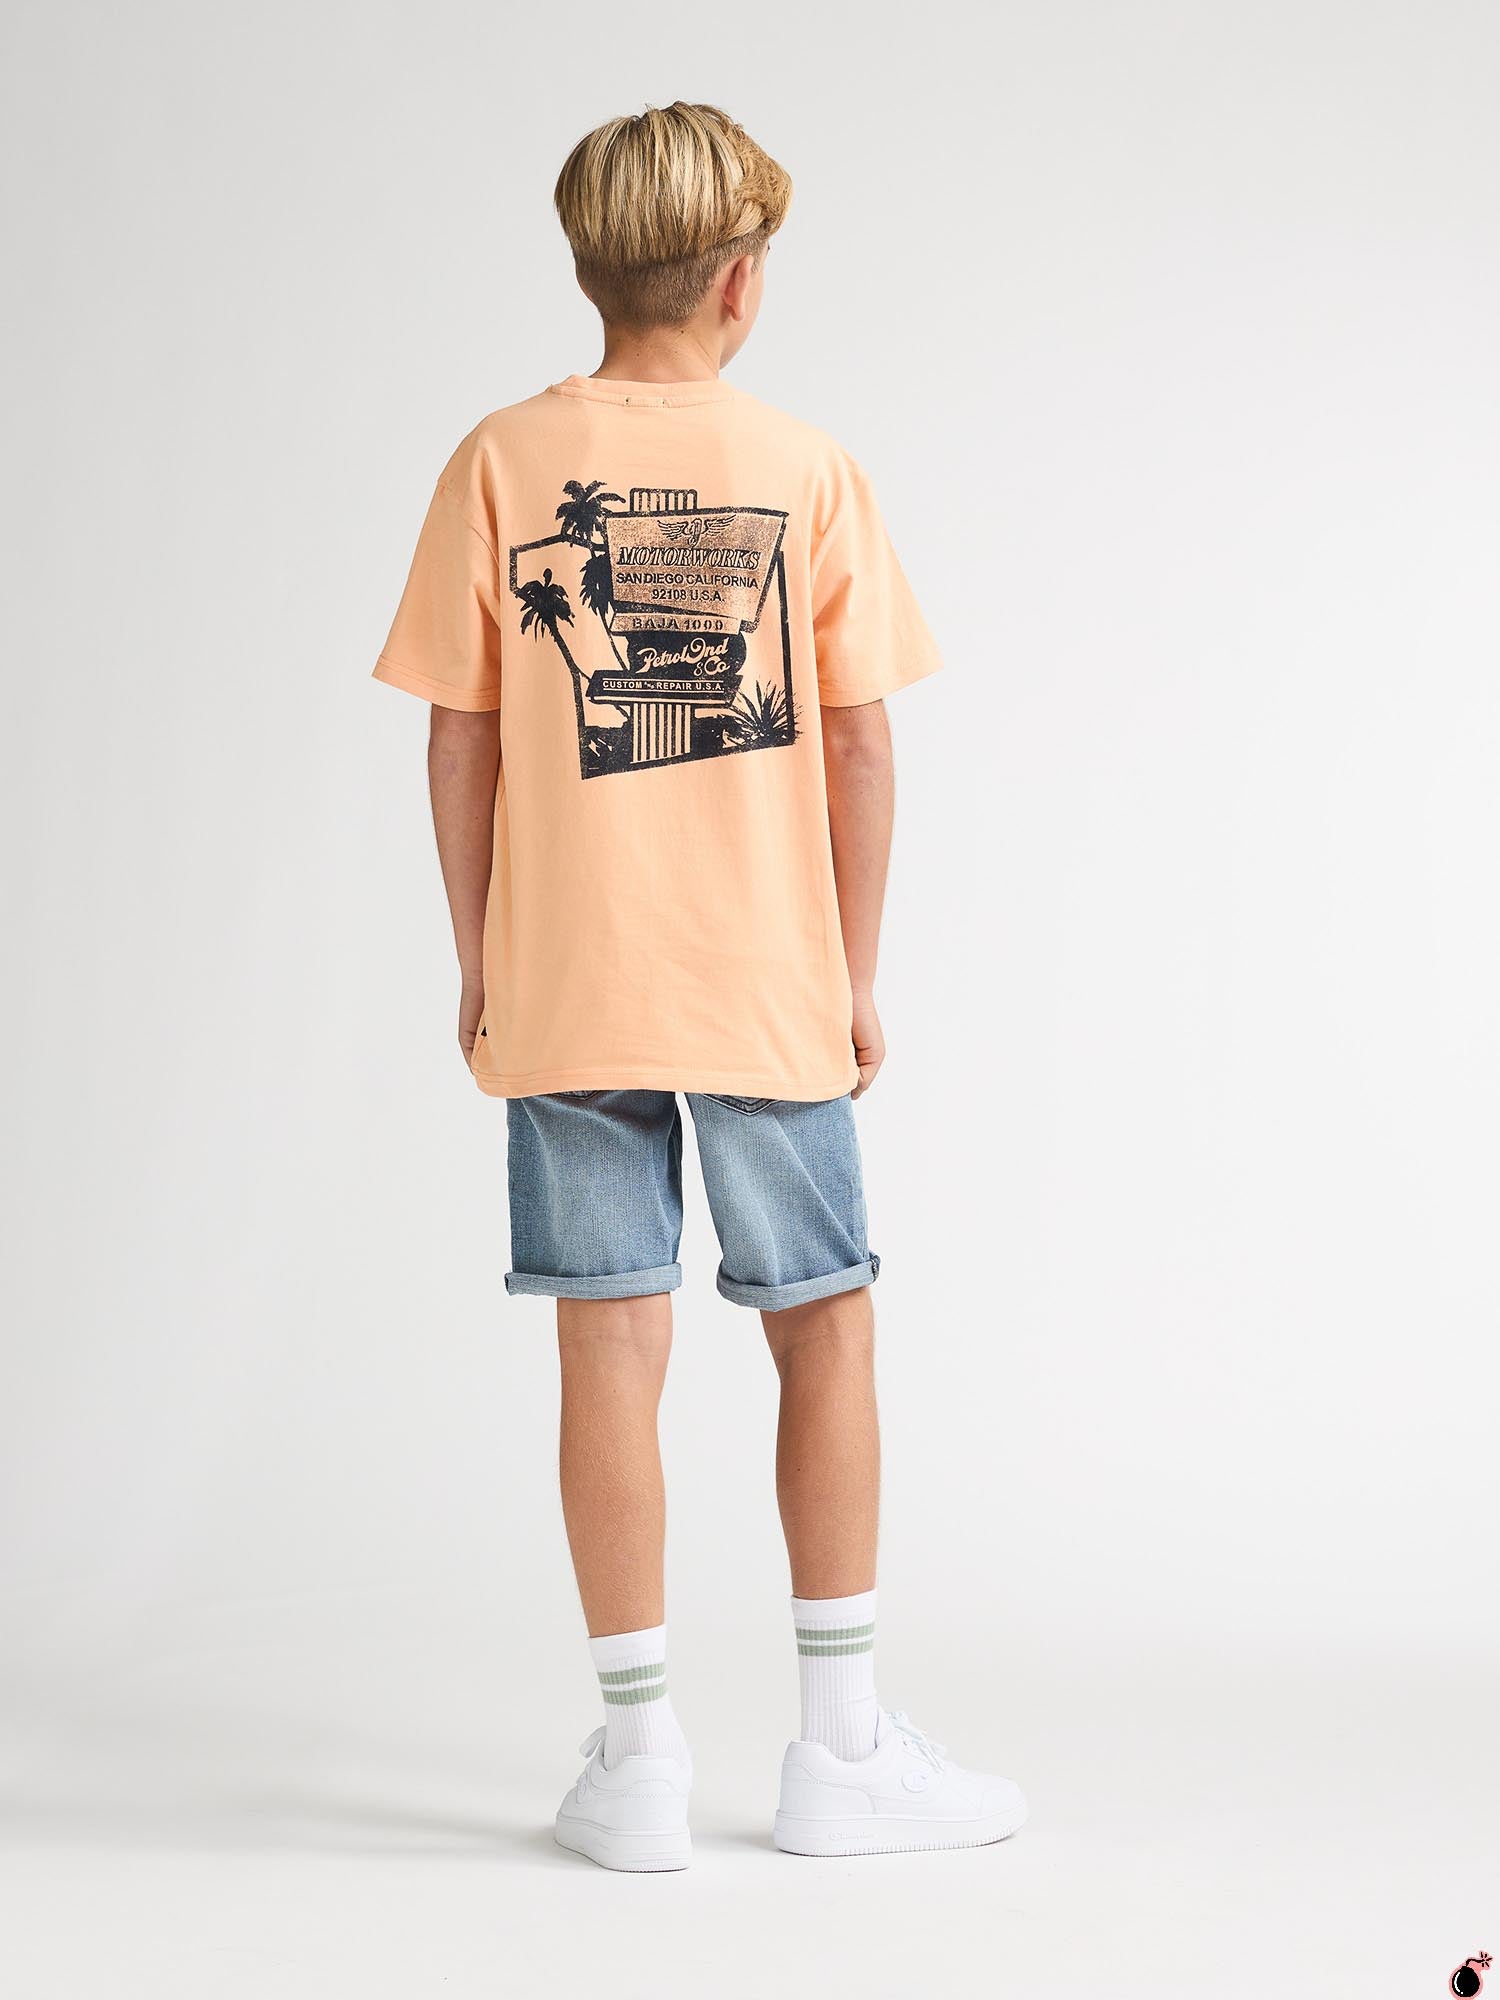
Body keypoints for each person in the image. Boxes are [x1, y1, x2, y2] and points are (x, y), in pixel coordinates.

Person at [373, 101, 1026, 1871]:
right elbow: (862, 747)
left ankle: (638, 1756)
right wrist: (856, 973)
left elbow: (458, 740)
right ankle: (843, 1748)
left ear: (590, 267)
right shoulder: (808, 468)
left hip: (568, 985)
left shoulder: (501, 458)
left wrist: (483, 960)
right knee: (824, 1319)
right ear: (741, 281)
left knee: (609, 1337)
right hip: (766, 980)